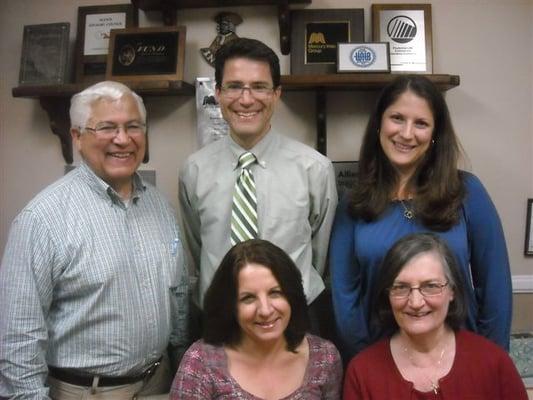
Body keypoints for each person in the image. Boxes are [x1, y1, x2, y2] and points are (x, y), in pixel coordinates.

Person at [0, 81, 189, 399]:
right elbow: (17, 335)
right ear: (77, 136)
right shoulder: (42, 220)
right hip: (87, 391)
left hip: (160, 382)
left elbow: (178, 293)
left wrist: (183, 365)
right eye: (106, 127)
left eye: (133, 127)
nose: (122, 139)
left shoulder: (160, 205)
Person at [329, 75, 512, 361]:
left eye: (421, 123)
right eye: (397, 118)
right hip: (380, 360)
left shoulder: (467, 193)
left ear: (436, 133)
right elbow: (345, 297)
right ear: (379, 123)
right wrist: (368, 365)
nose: (406, 133)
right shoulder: (353, 204)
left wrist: (490, 362)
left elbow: (495, 286)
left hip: (462, 358)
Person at [179, 38, 337, 331]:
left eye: (259, 86)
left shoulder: (314, 169)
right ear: (218, 93)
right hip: (218, 318)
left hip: (293, 318)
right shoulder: (194, 170)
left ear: (276, 94)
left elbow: (319, 253)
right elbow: (196, 246)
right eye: (234, 86)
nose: (246, 99)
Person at [343, 233, 527, 399]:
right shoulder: (362, 373)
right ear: (387, 294)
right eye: (401, 287)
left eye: (430, 286)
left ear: (452, 291)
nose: (415, 302)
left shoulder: (493, 362)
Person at [170, 239, 342, 399]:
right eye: (248, 298)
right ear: (230, 305)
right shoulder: (201, 362)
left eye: (275, 293)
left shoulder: (324, 358)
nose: (265, 310)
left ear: (292, 295)